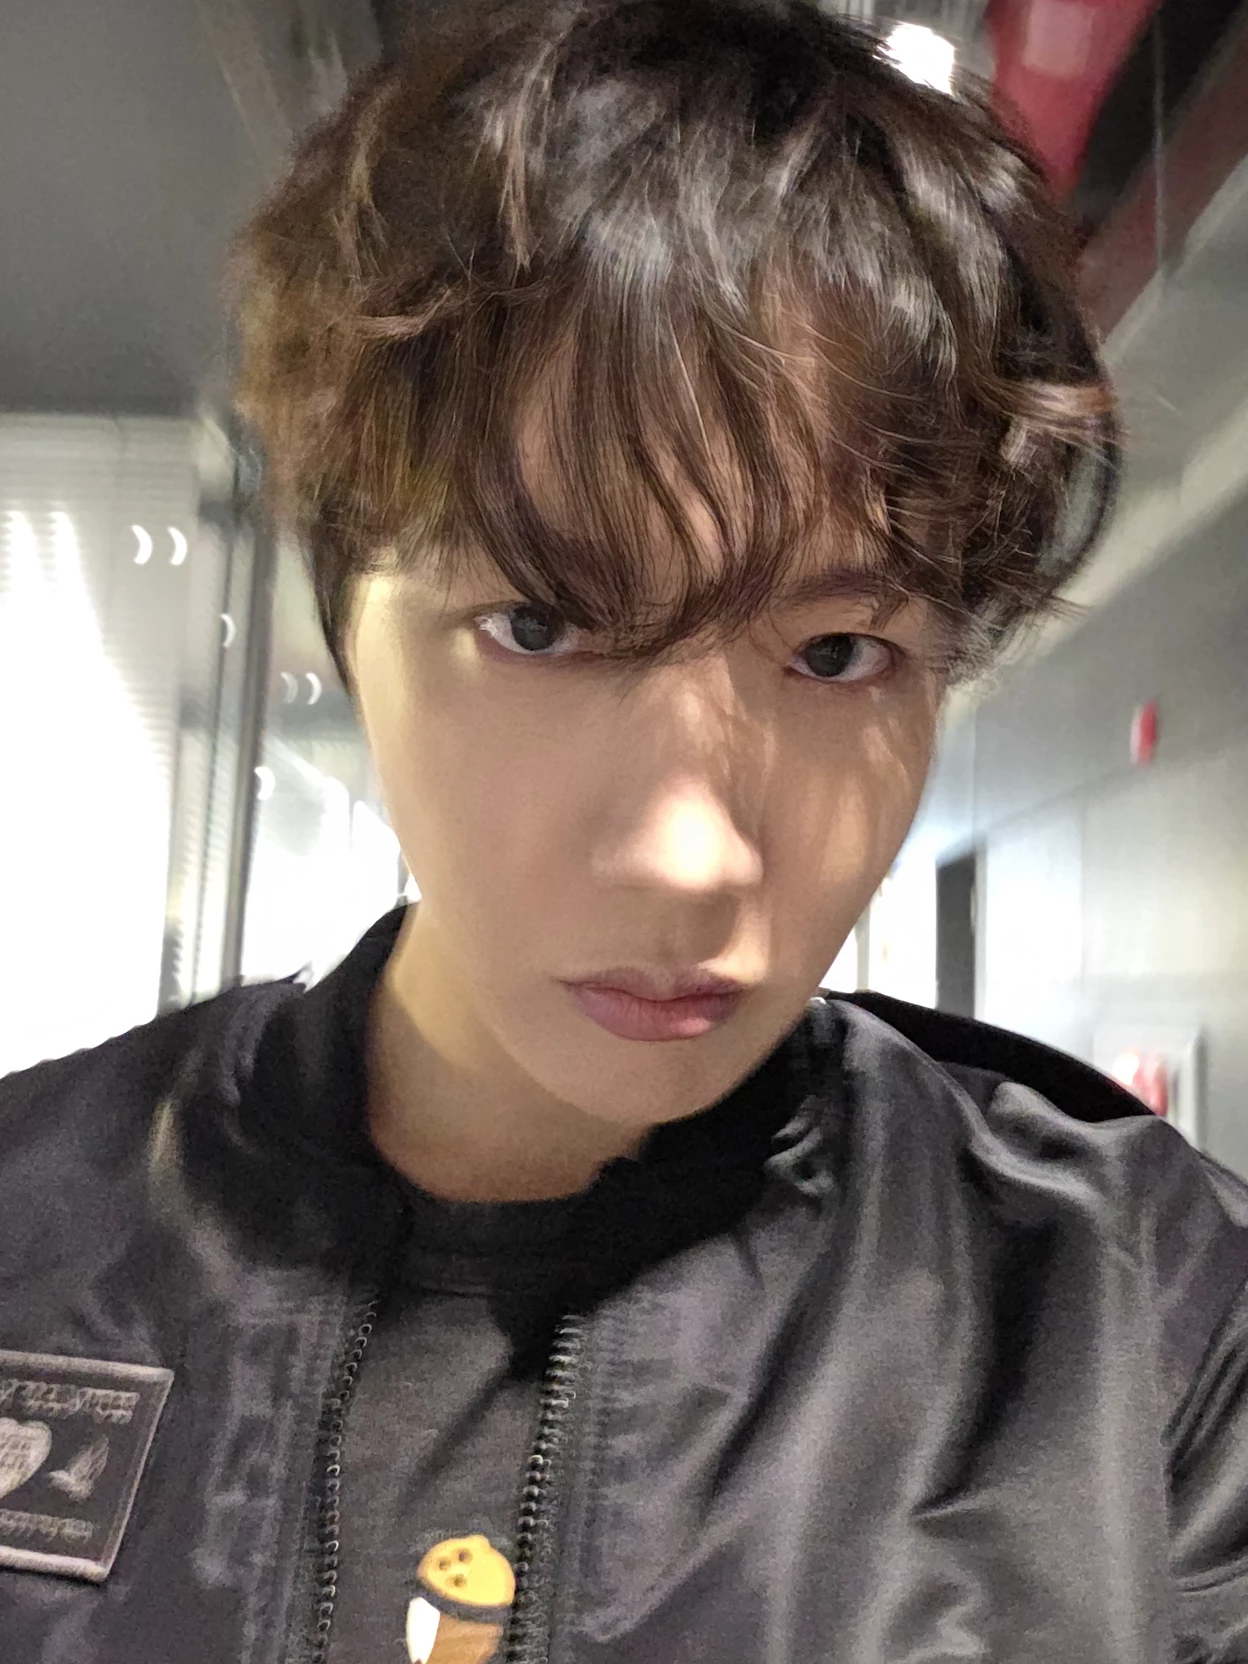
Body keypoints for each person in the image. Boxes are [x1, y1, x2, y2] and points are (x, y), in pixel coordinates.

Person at [2, 1, 1246, 1659]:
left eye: (837, 654)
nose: (689, 858)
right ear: (345, 622)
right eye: (538, 626)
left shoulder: (1145, 1323)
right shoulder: (33, 1230)